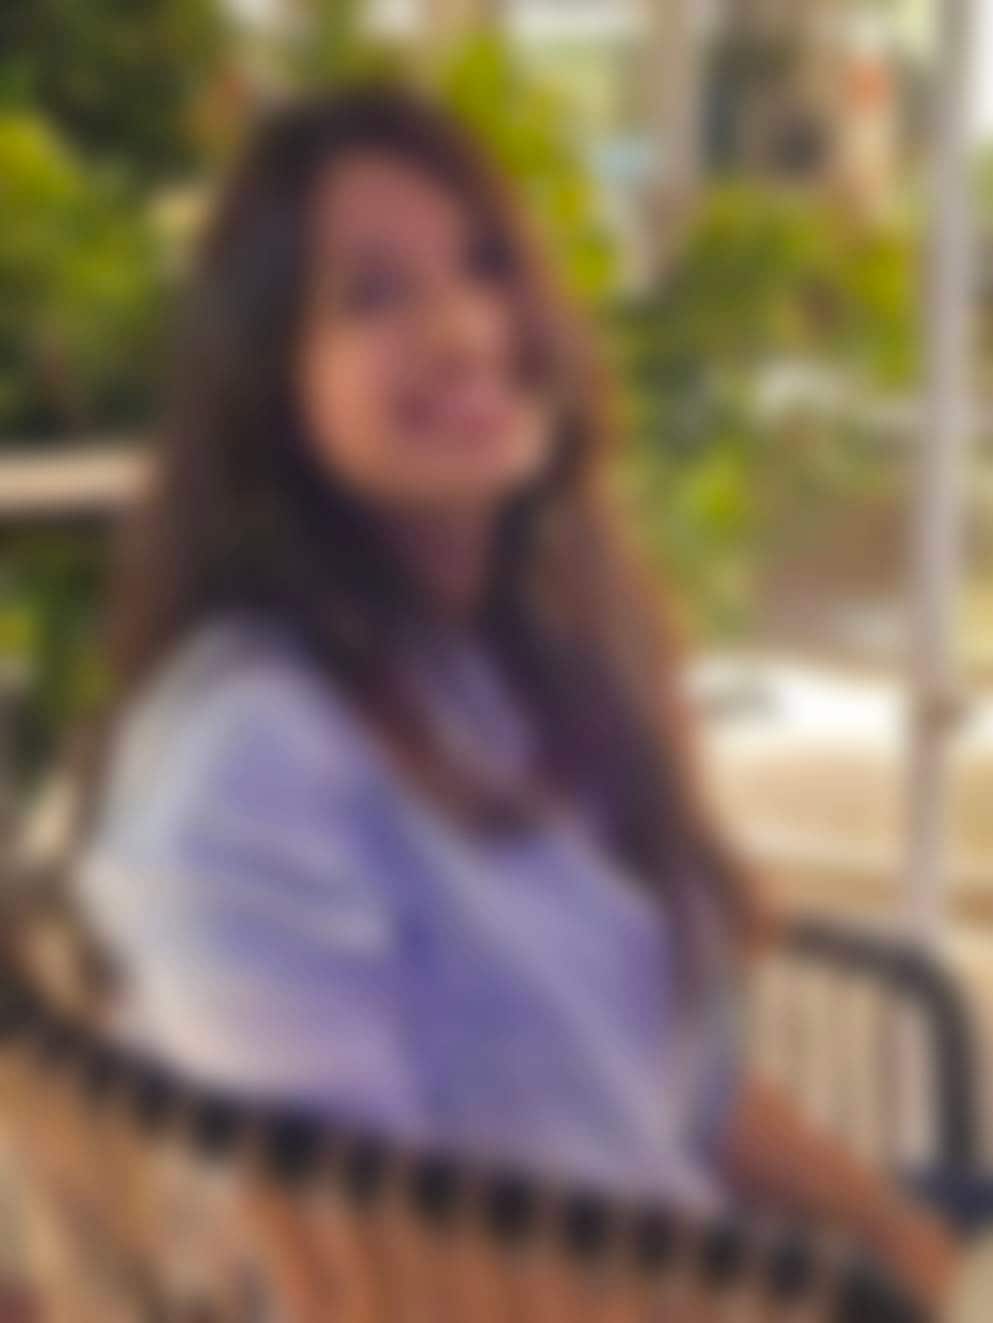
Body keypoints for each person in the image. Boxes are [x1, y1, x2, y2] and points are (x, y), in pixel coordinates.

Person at [67, 84, 961, 1312]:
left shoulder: (506, 669)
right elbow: (350, 1267)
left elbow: (690, 1099)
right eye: (372, 295)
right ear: (269, 390)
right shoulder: (250, 755)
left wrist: (917, 1256)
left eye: (487, 267)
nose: (465, 330)